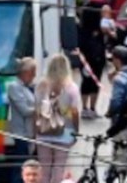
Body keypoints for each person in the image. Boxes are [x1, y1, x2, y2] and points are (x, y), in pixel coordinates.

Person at [33, 54, 80, 183]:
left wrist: (35, 131)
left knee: (44, 169)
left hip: (44, 132)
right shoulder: (72, 88)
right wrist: (76, 131)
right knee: (59, 167)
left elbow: (36, 110)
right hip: (65, 132)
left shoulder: (40, 86)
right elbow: (74, 112)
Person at [6, 59, 37, 183]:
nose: (34, 76)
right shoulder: (14, 87)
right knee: (20, 165)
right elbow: (24, 110)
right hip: (21, 133)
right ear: (26, 72)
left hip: (28, 132)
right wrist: (40, 108)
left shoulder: (26, 87)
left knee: (25, 164)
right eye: (32, 73)